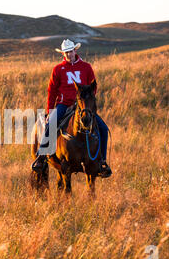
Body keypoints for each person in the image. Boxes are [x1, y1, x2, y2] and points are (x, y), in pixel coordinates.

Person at [31, 39, 112, 178]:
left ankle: (102, 162)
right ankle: (42, 157)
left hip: (83, 106)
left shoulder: (86, 67)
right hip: (64, 104)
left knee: (103, 129)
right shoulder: (58, 69)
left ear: (76, 50)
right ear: (63, 53)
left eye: (71, 51)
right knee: (51, 124)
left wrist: (86, 102)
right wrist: (50, 110)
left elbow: (94, 88)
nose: (69, 54)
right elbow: (52, 91)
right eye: (66, 52)